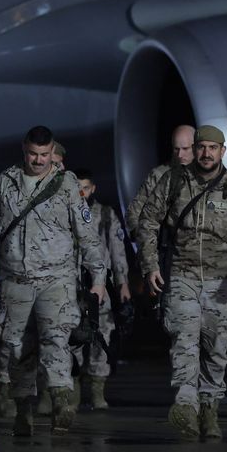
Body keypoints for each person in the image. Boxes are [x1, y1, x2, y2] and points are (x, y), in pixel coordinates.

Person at [0, 125, 107, 437]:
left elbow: (87, 234)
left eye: (45, 154)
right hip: (16, 280)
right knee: (18, 347)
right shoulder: (6, 182)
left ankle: (61, 405)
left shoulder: (67, 184)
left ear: (52, 151)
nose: (39, 160)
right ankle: (23, 409)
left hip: (57, 279)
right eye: (33, 154)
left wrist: (98, 277)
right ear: (24, 149)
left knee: (56, 340)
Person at [136, 125, 227, 442]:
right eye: (201, 147)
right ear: (194, 149)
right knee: (184, 339)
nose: (206, 153)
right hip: (182, 277)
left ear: (222, 151)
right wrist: (150, 265)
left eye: (213, 147)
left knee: (216, 347)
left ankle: (210, 408)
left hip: (223, 282)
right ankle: (185, 405)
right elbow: (148, 222)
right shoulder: (173, 182)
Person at [72, 168, 131, 410]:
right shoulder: (65, 213)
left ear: (93, 188)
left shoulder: (105, 215)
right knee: (70, 339)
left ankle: (97, 389)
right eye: (77, 187)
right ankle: (71, 391)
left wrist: (122, 282)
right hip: (71, 285)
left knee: (102, 336)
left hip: (99, 287)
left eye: (85, 187)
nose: (81, 192)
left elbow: (117, 250)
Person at [125, 125, 195, 231]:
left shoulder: (210, 175)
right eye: (176, 149)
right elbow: (134, 211)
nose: (180, 154)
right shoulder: (158, 175)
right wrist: (144, 239)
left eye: (185, 149)